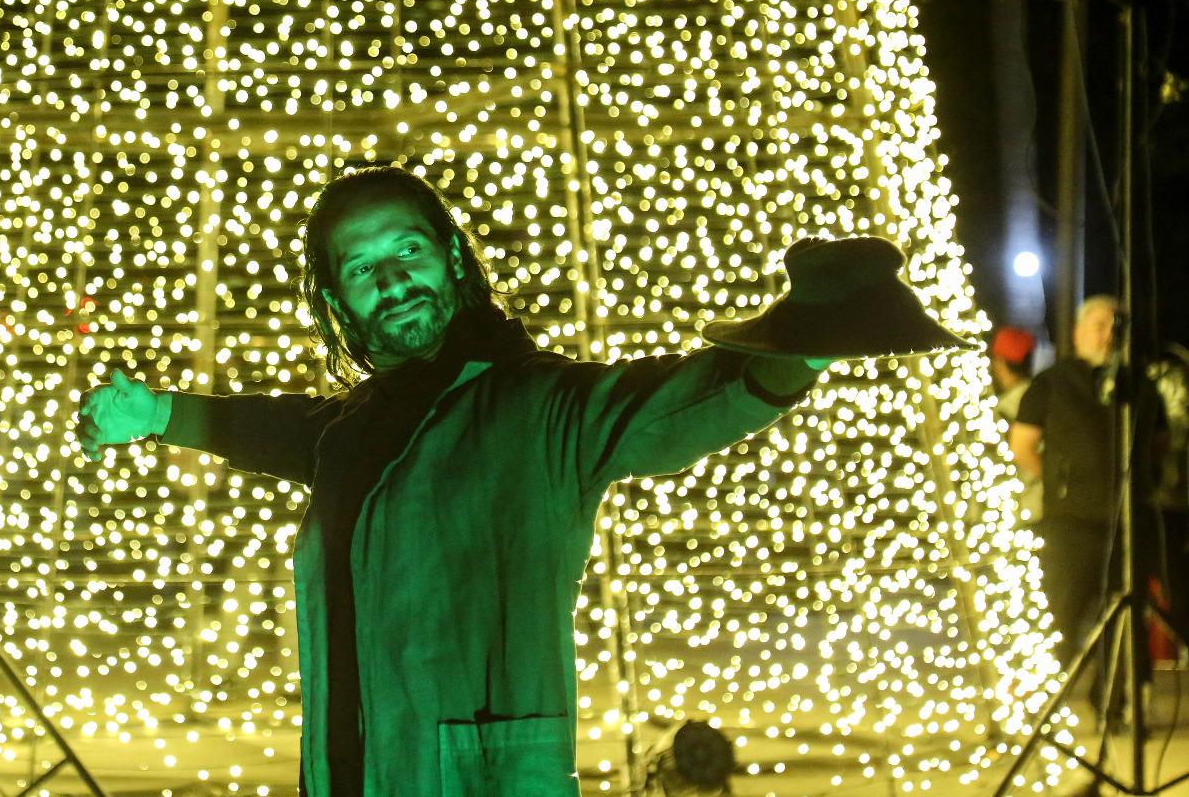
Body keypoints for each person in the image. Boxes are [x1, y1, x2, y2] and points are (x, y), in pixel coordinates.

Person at [75, 166, 970, 796]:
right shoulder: (352, 433)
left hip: (483, 779)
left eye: (410, 251)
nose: (392, 281)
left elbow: (682, 405)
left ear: (454, 260)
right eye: (361, 268)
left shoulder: (540, 408)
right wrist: (158, 413)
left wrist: (807, 337)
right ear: (336, 301)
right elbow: (283, 428)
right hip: (350, 775)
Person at [1010, 295, 1151, 714]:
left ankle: (1113, 702)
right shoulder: (1053, 382)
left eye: (1115, 327)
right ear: (1078, 331)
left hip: (1125, 520)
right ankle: (1044, 704)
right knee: (1061, 615)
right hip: (1070, 523)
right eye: (1098, 325)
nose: (1107, 335)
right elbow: (1023, 445)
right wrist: (1061, 483)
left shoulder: (1136, 384)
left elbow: (1156, 441)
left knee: (1122, 622)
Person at [989, 326, 1038, 522]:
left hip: (1014, 512)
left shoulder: (1000, 411)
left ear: (999, 362)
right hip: (1044, 506)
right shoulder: (1044, 397)